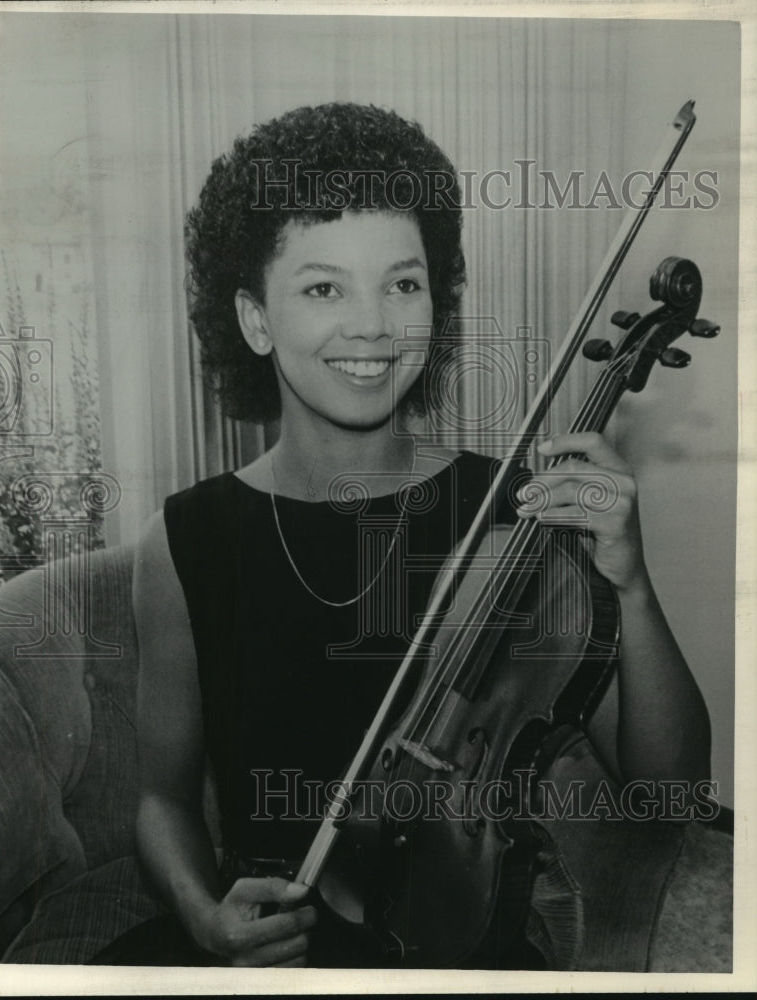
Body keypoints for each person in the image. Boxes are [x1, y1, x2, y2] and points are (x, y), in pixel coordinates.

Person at [96, 102, 711, 968]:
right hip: (278, 948)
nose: (374, 325)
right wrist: (204, 914)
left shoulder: (517, 514)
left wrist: (634, 587)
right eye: (322, 287)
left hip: (453, 946)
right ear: (255, 319)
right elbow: (161, 799)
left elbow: (669, 794)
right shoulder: (185, 540)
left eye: (403, 282)